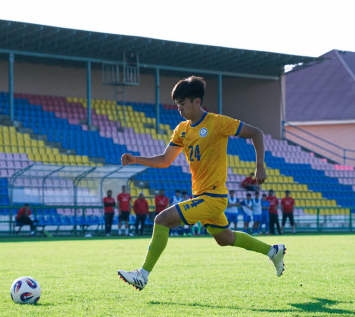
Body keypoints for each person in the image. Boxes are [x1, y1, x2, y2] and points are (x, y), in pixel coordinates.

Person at [117, 75, 286, 290]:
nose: (179, 109)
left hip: (213, 197)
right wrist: (136, 159)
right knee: (225, 239)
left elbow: (256, 132)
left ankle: (142, 275)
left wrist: (260, 165)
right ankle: (273, 251)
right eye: (177, 104)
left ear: (197, 102)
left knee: (162, 219)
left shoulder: (217, 122)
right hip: (202, 196)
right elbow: (165, 160)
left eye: (183, 104)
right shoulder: (182, 129)